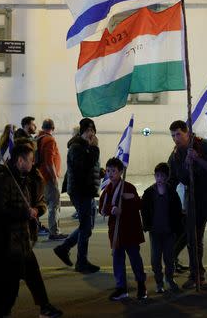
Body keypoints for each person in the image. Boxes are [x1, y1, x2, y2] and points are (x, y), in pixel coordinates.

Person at [0, 143, 63, 318]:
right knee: (3, 284)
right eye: (30, 160)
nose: (33, 163)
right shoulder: (2, 180)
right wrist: (25, 213)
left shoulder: (24, 178)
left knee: (28, 275)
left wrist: (36, 210)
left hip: (20, 241)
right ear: (20, 160)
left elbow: (39, 201)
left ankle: (42, 307)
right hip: (2, 244)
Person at [167, 120, 207, 289]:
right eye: (172, 135)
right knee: (193, 239)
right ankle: (196, 275)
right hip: (193, 199)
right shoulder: (176, 155)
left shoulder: (203, 146)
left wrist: (197, 159)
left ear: (187, 133)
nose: (175, 138)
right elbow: (175, 178)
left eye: (178, 134)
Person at [54, 118, 101, 274]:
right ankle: (81, 262)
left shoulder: (86, 146)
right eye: (88, 130)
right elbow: (84, 165)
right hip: (81, 192)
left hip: (87, 190)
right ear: (82, 132)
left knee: (87, 226)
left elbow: (89, 168)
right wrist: (94, 149)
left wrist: (100, 173)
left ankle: (64, 248)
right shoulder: (76, 147)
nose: (91, 133)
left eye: (93, 130)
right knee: (86, 227)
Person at [99, 157, 147, 301]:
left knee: (135, 259)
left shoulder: (128, 187)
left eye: (114, 171)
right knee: (118, 260)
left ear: (121, 172)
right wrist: (111, 209)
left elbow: (139, 205)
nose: (111, 173)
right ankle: (121, 288)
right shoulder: (107, 190)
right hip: (116, 232)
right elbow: (102, 208)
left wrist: (130, 198)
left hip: (130, 230)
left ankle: (141, 285)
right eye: (108, 171)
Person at [141, 162, 183, 293]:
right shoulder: (149, 193)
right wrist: (147, 225)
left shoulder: (171, 193)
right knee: (155, 259)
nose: (159, 179)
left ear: (167, 177)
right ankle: (159, 282)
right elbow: (144, 211)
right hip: (155, 232)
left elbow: (177, 212)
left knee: (169, 258)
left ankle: (169, 279)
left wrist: (176, 229)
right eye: (157, 176)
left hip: (169, 232)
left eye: (162, 176)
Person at [37, 118, 66, 240]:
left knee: (41, 203)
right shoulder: (49, 140)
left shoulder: (39, 138)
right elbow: (49, 161)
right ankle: (54, 232)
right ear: (53, 128)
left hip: (40, 177)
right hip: (48, 178)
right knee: (54, 205)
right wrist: (54, 178)